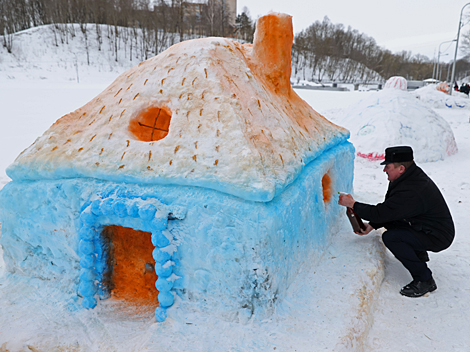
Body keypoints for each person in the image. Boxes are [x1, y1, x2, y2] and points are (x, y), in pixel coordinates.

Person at [338, 146, 454, 298]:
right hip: (424, 226)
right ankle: (418, 254)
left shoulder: (412, 189)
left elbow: (383, 212)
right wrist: (372, 225)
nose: (384, 170)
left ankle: (425, 279)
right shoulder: (405, 177)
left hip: (438, 235)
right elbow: (391, 210)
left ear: (401, 168)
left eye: (388, 166)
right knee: (391, 223)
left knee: (391, 238)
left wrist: (353, 204)